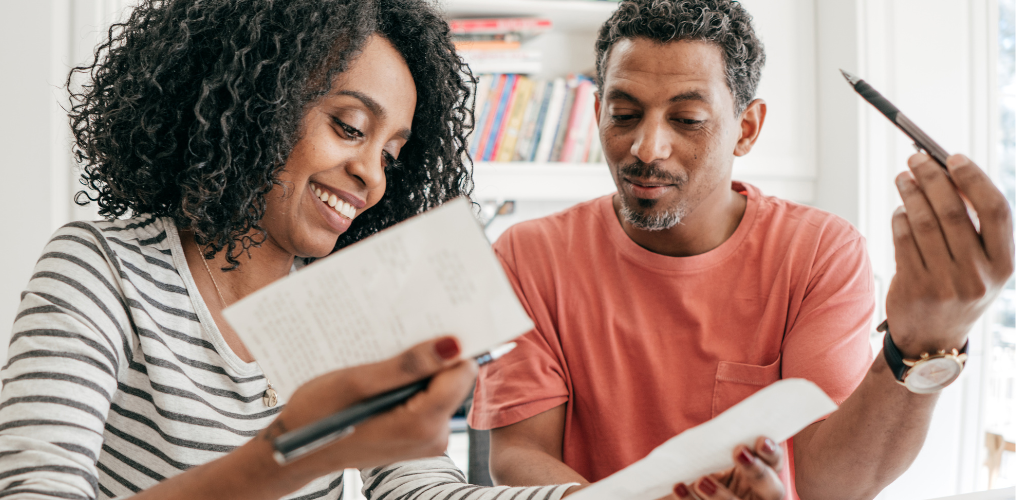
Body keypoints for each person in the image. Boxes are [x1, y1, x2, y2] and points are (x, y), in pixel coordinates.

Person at [0, 1, 789, 499]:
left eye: (393, 152)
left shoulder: (352, 293)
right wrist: (292, 452)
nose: (370, 177)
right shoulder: (101, 269)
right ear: (251, 105)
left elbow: (420, 490)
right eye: (349, 127)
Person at [468, 1, 1015, 499]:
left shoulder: (819, 250)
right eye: (625, 114)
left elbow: (832, 484)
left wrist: (922, 341)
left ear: (746, 129)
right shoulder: (527, 254)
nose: (646, 148)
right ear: (597, 113)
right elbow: (519, 452)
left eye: (686, 120)